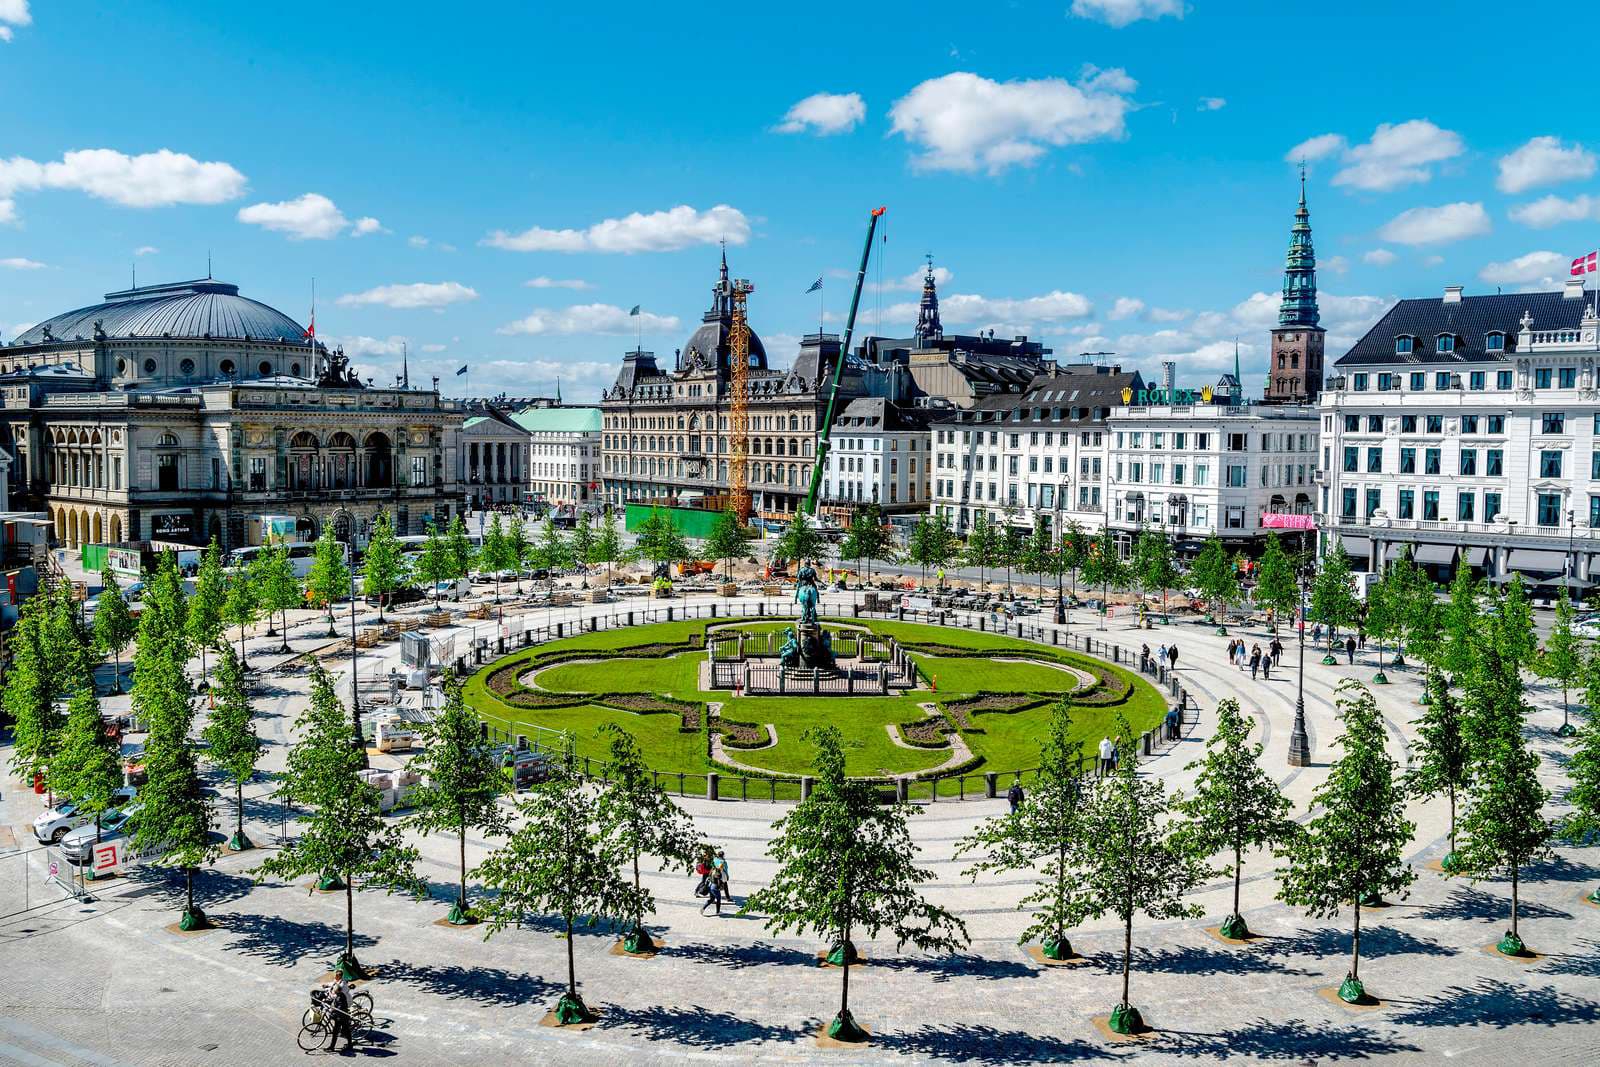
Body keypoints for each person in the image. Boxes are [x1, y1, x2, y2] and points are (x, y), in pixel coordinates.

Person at [325, 974, 354, 1053]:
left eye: (335, 990)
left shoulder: (341, 997)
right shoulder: (338, 995)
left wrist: (333, 1011)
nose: (334, 991)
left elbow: (339, 1008)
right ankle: (333, 1047)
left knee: (344, 1031)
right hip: (340, 1017)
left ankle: (348, 1045)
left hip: (342, 1018)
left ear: (337, 991)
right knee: (339, 1032)